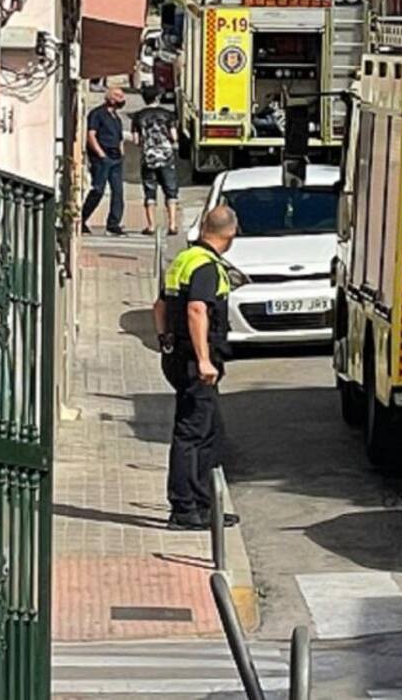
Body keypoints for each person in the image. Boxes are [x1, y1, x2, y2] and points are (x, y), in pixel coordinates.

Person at [153, 205, 242, 530]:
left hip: (177, 355)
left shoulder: (184, 259)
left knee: (211, 429)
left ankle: (206, 504)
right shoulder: (205, 266)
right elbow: (195, 310)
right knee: (193, 432)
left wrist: (164, 339)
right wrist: (204, 359)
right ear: (231, 233)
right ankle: (185, 509)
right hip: (195, 361)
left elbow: (160, 306)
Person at [131, 92, 180, 236]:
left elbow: (135, 140)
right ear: (157, 97)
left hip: (148, 157)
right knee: (171, 191)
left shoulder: (138, 116)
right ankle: (172, 224)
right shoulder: (168, 114)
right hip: (166, 157)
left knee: (149, 191)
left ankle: (151, 225)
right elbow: (174, 137)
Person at [81, 87, 128, 236]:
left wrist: (121, 152)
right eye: (118, 96)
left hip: (115, 158)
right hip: (102, 158)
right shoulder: (97, 114)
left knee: (118, 192)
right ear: (109, 97)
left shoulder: (116, 118)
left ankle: (113, 224)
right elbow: (91, 135)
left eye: (122, 96)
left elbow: (119, 138)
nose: (121, 99)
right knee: (98, 190)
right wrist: (100, 154)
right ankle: (82, 218)